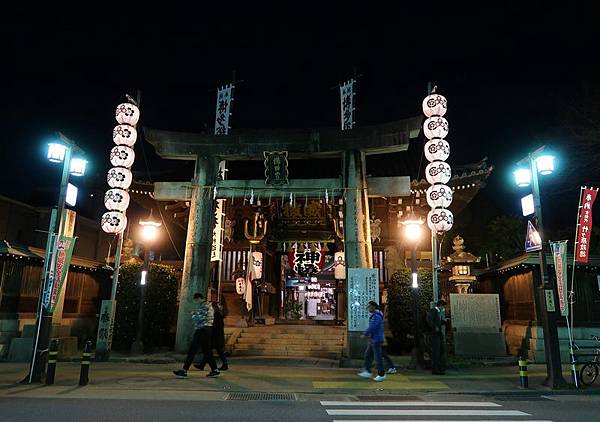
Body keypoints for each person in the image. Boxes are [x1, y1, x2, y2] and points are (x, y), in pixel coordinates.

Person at [173, 293, 219, 378]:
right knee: (207, 351)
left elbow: (199, 319)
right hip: (207, 329)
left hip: (202, 329)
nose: (195, 302)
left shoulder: (204, 306)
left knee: (193, 350)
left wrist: (193, 313)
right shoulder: (208, 305)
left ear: (198, 298)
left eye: (196, 300)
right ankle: (215, 370)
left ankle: (184, 370)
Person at [195, 300, 228, 371]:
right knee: (212, 350)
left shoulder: (216, 314)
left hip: (215, 335)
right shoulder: (218, 314)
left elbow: (215, 325)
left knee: (212, 350)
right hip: (217, 335)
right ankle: (202, 365)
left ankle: (224, 364)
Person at [357, 301, 386, 382]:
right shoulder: (375, 316)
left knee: (377, 358)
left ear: (373, 307)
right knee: (368, 355)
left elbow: (373, 327)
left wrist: (365, 334)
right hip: (374, 339)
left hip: (376, 339)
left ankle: (381, 374)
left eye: (369, 307)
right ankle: (367, 371)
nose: (368, 308)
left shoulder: (376, 316)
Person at [426, 299, 447, 375]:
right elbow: (429, 320)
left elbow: (435, 321)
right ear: (441, 305)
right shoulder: (434, 311)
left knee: (440, 351)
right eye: (444, 307)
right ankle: (435, 369)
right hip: (435, 334)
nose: (444, 309)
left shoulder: (437, 312)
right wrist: (435, 327)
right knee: (436, 352)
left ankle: (439, 368)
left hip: (438, 334)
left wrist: (443, 322)